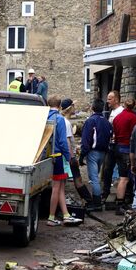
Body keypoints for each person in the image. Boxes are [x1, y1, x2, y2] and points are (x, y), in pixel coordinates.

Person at [46, 95, 82, 226]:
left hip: (46, 156)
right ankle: (51, 217)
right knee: (57, 187)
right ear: (60, 106)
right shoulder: (59, 119)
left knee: (60, 187)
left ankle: (66, 215)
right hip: (58, 156)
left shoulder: (45, 117)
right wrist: (69, 157)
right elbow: (62, 141)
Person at [79, 98, 112, 211]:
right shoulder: (106, 121)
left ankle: (97, 203)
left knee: (93, 178)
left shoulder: (91, 121)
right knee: (96, 176)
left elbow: (86, 139)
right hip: (103, 152)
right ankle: (97, 200)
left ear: (92, 108)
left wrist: (82, 155)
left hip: (93, 152)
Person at [60, 98, 93, 208]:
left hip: (65, 155)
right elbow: (67, 141)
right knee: (77, 179)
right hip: (68, 156)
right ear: (70, 108)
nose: (75, 108)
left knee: (67, 181)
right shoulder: (67, 123)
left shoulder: (62, 121)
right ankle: (89, 201)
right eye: (73, 106)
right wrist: (72, 157)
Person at [110, 97, 136, 214]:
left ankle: (121, 202)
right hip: (127, 148)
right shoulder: (133, 117)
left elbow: (115, 132)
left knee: (122, 176)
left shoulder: (117, 117)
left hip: (117, 146)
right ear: (134, 106)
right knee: (125, 178)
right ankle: (121, 204)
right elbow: (134, 135)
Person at [102, 90, 124, 203]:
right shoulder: (112, 112)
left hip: (118, 145)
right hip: (111, 145)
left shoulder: (120, 112)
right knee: (107, 169)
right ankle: (105, 192)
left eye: (110, 99)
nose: (108, 101)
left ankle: (121, 195)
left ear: (116, 99)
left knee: (120, 170)